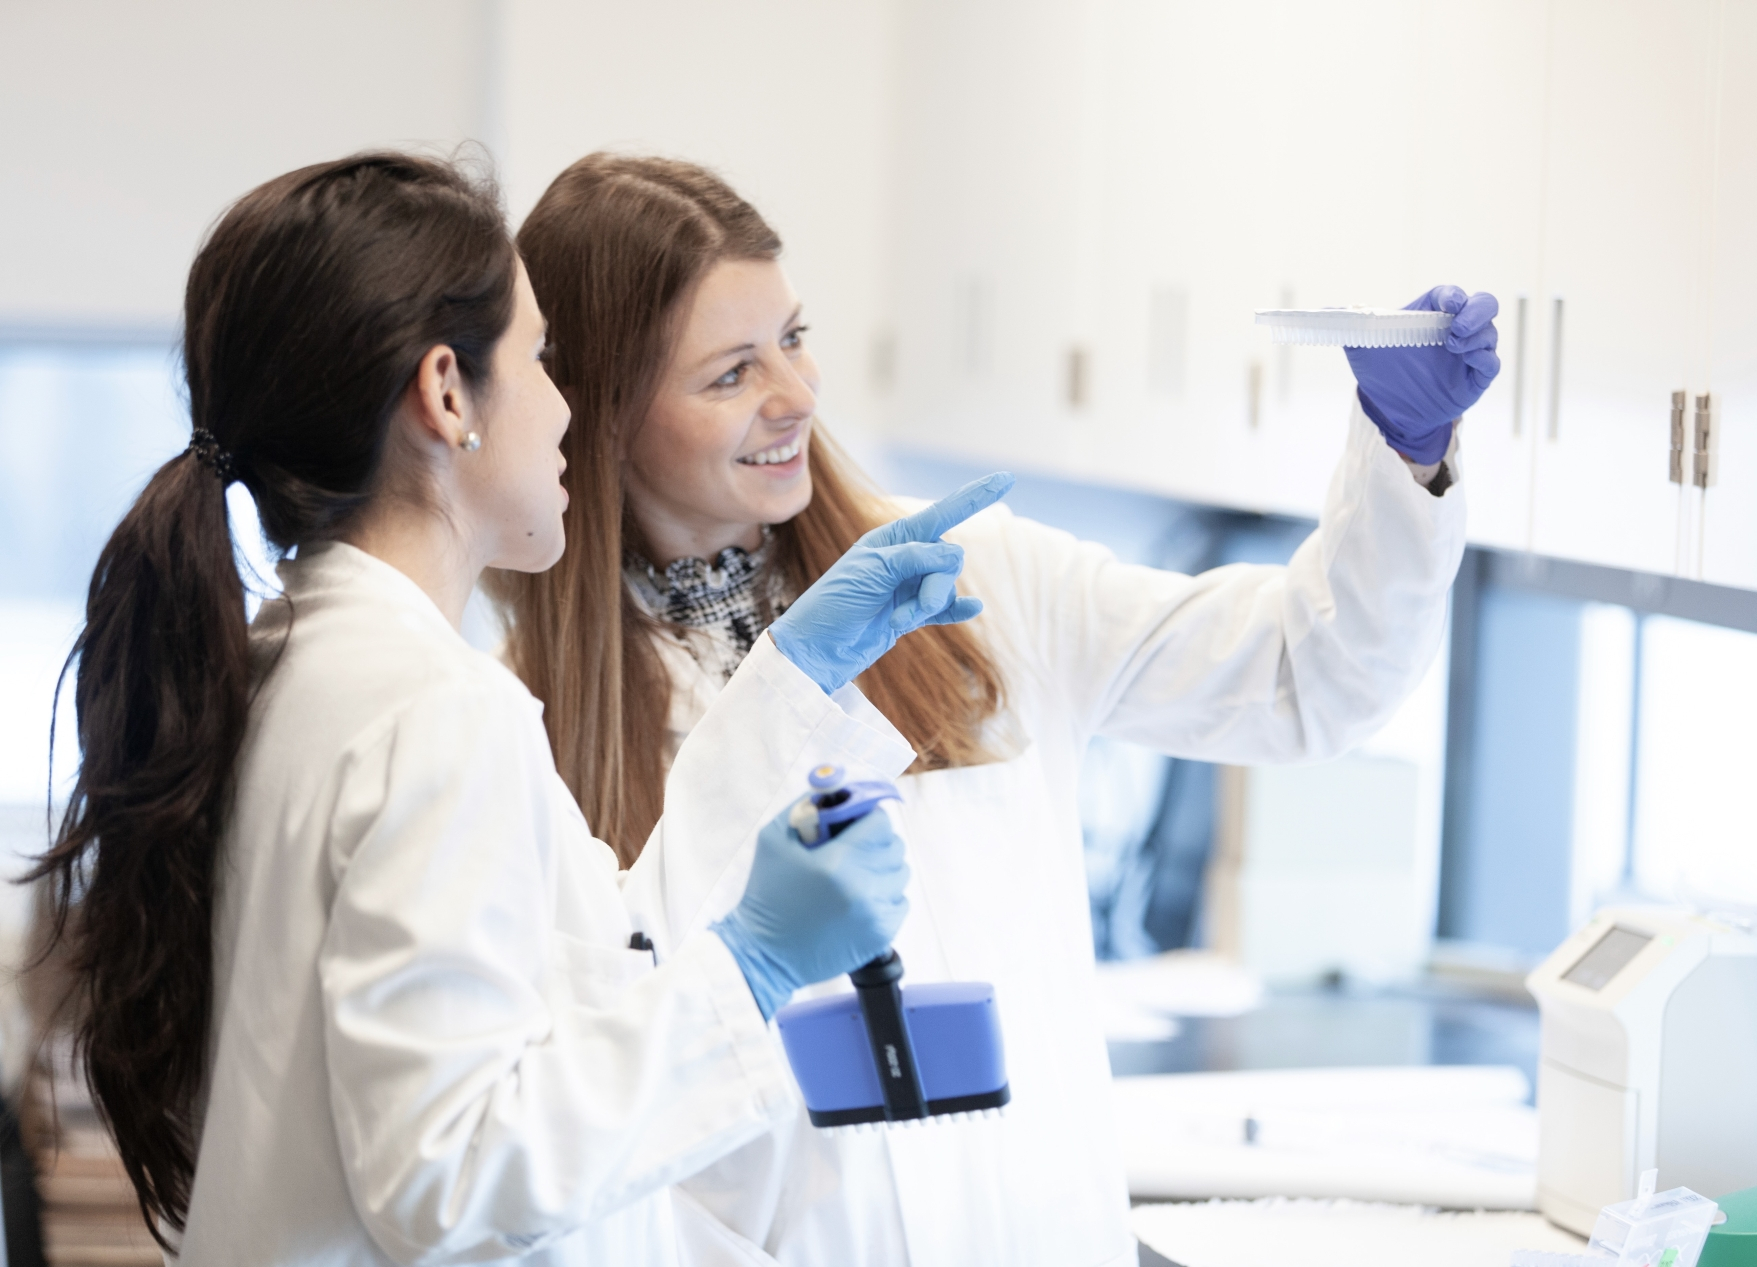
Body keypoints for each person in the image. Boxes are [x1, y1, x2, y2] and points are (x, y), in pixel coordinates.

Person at [508, 154, 1497, 1267]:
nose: (795, 393)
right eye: (731, 372)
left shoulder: (962, 573)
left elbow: (1304, 679)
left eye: (792, 336)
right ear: (600, 412)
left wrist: (1403, 456)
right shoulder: (523, 709)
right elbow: (585, 1112)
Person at [30, 151, 1006, 1263]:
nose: (567, 407)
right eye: (541, 358)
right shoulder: (432, 713)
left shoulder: (293, 662)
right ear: (449, 394)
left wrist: (786, 681)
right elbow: (449, 1176)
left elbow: (597, 963)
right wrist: (755, 966)